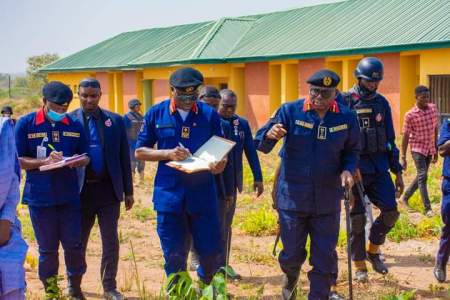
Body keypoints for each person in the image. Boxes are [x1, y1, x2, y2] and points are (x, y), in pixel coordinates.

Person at [255, 70, 359, 300]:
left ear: (336, 93)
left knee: (324, 256)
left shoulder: (347, 117)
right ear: (308, 90)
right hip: (293, 198)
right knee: (292, 253)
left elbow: (352, 150)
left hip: (327, 199)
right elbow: (260, 143)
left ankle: (318, 295)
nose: (319, 97)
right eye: (315, 91)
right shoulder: (289, 111)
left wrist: (348, 170)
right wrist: (270, 135)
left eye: (326, 93)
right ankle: (290, 279)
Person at [135, 67, 227, 288]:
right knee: (173, 251)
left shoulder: (209, 114)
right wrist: (167, 154)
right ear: (172, 90)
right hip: (170, 195)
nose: (188, 100)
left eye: (193, 95)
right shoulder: (156, 113)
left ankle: (207, 287)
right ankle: (179, 290)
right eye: (182, 95)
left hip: (202, 194)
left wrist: (219, 164)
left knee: (209, 249)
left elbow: (221, 149)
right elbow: (140, 151)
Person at [14, 81, 90, 299]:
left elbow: (85, 155)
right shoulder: (27, 124)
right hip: (40, 198)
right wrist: (44, 161)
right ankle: (51, 290)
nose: (60, 112)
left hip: (69, 197)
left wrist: (79, 161)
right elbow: (18, 160)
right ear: (44, 101)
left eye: (64, 108)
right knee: (47, 249)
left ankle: (75, 287)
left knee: (74, 246)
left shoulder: (74, 125)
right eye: (56, 107)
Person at [70, 78, 134, 300]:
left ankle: (109, 287)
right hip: (80, 193)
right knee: (78, 241)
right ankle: (74, 287)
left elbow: (124, 158)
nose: (89, 99)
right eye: (84, 95)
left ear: (100, 95)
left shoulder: (114, 121)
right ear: (78, 94)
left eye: (93, 95)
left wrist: (129, 190)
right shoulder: (69, 122)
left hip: (108, 191)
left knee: (110, 241)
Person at [342, 57, 404, 282]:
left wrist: (397, 171)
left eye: (376, 82)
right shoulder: (345, 100)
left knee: (391, 212)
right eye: (369, 81)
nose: (373, 85)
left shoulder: (382, 103)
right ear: (359, 78)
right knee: (357, 219)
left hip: (379, 169)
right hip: (356, 170)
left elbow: (390, 139)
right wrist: (348, 167)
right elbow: (340, 139)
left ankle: (373, 251)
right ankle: (359, 265)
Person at [218, 88, 264, 280]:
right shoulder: (210, 123)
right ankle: (204, 262)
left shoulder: (242, 124)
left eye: (232, 107)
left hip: (232, 183)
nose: (229, 110)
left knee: (226, 225)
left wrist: (258, 177)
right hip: (213, 182)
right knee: (210, 225)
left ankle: (223, 264)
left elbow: (251, 152)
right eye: (225, 106)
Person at [188, 86, 229, 272]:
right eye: (208, 105)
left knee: (217, 226)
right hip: (193, 180)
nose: (212, 110)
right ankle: (195, 258)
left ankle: (218, 264)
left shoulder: (223, 124)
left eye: (215, 105)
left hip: (219, 183)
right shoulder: (190, 122)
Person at [0, 117, 27, 300]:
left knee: (10, 285)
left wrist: (6, 219)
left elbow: (12, 179)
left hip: (3, 228)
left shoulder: (2, 129)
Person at [401, 85, 439, 216]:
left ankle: (405, 198)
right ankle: (427, 208)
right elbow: (405, 136)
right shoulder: (410, 115)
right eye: (423, 97)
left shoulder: (433, 109)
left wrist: (436, 148)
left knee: (420, 177)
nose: (426, 100)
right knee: (423, 176)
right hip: (417, 148)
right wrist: (403, 157)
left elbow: (435, 128)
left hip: (429, 147)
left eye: (427, 97)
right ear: (416, 97)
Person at [123, 99, 145, 183]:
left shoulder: (141, 117)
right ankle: (132, 180)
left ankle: (141, 181)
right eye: (137, 105)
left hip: (140, 142)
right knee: (132, 161)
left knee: (142, 161)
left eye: (139, 105)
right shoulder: (126, 117)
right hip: (130, 143)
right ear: (132, 106)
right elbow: (123, 130)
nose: (139, 107)